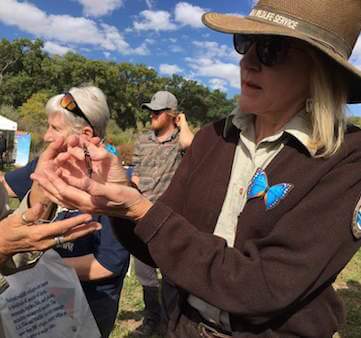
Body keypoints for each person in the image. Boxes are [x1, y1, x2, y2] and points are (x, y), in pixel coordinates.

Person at [32, 1, 361, 337]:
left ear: (318, 70)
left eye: (270, 49)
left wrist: (143, 212)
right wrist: (122, 195)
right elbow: (158, 245)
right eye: (244, 43)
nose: (246, 60)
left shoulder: (347, 157)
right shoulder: (213, 137)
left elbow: (264, 285)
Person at [7, 86, 130, 338]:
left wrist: (36, 266)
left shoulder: (114, 185)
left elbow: (107, 265)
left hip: (89, 303)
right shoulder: (47, 162)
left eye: (55, 128)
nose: (46, 135)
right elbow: (6, 186)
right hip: (42, 297)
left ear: (84, 134)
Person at [131, 91, 194, 336]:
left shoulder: (181, 141)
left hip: (169, 217)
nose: (152, 115)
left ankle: (171, 324)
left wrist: (184, 123)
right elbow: (135, 172)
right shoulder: (142, 140)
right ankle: (151, 320)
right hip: (140, 215)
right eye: (151, 111)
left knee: (170, 274)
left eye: (157, 112)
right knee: (145, 274)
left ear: (172, 115)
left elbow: (191, 145)